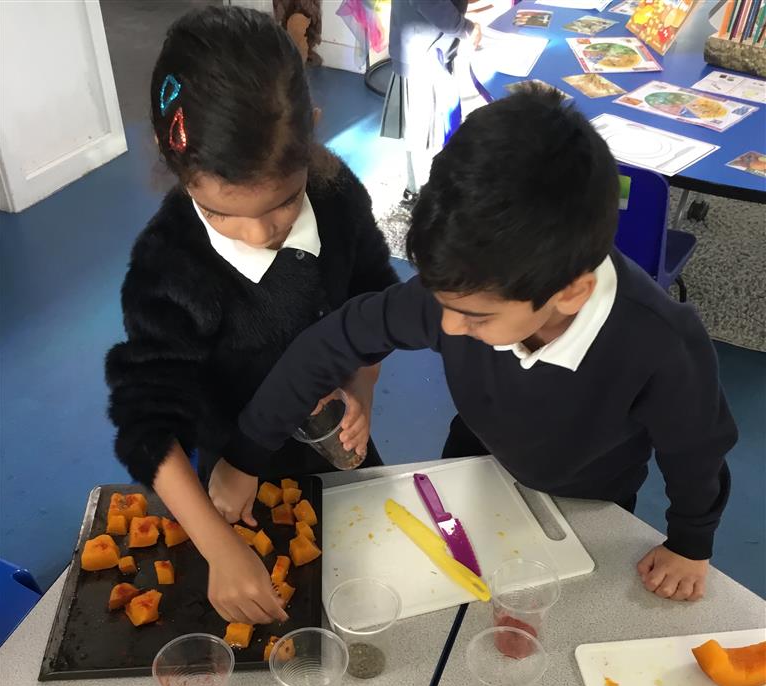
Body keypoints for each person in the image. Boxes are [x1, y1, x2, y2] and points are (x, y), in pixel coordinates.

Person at [213, 87, 738, 603]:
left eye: (476, 317)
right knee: (455, 592)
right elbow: (334, 339)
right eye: (441, 300)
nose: (449, 326)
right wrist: (246, 455)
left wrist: (690, 543)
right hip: (472, 465)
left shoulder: (660, 344)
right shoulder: (463, 290)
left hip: (591, 497)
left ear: (570, 292)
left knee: (560, 606)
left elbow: (696, 451)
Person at [105, 6, 397, 625]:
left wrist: (360, 389)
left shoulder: (337, 193)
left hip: (338, 447)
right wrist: (219, 546)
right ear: (174, 162)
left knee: (378, 585)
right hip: (235, 477)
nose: (261, 232)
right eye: (224, 213)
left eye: (284, 203)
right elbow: (145, 423)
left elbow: (373, 302)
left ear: (311, 134)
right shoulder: (169, 267)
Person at [381, 0, 482, 207]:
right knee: (423, 135)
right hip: (422, 58)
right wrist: (466, 29)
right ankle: (423, 195)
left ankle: (422, 189)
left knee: (429, 131)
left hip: (430, 51)